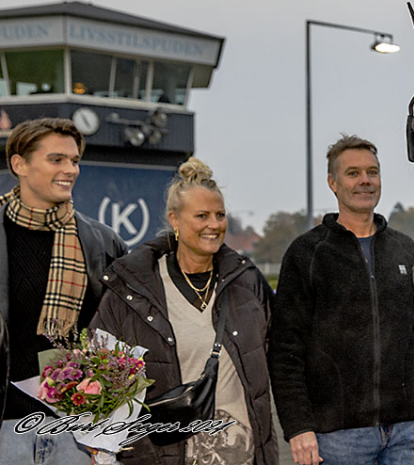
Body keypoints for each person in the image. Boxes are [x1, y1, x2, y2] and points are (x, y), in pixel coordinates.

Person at [269, 135, 414, 465]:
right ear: (333, 182)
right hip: (338, 437)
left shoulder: (405, 249)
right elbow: (286, 349)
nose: (365, 180)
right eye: (353, 173)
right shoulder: (306, 254)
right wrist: (298, 426)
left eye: (372, 172)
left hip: (408, 430)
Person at [91, 157, 279, 465]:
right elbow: (96, 373)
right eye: (202, 215)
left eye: (220, 215)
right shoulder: (130, 290)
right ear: (175, 220)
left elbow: (283, 358)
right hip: (165, 455)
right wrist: (103, 444)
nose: (214, 225)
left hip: (243, 456)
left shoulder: (247, 282)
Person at [0, 118, 128, 464]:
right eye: (56, 159)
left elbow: (121, 336)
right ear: (19, 164)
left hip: (78, 433)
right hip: (5, 430)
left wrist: (107, 434)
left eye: (74, 161)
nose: (70, 169)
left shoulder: (104, 243)